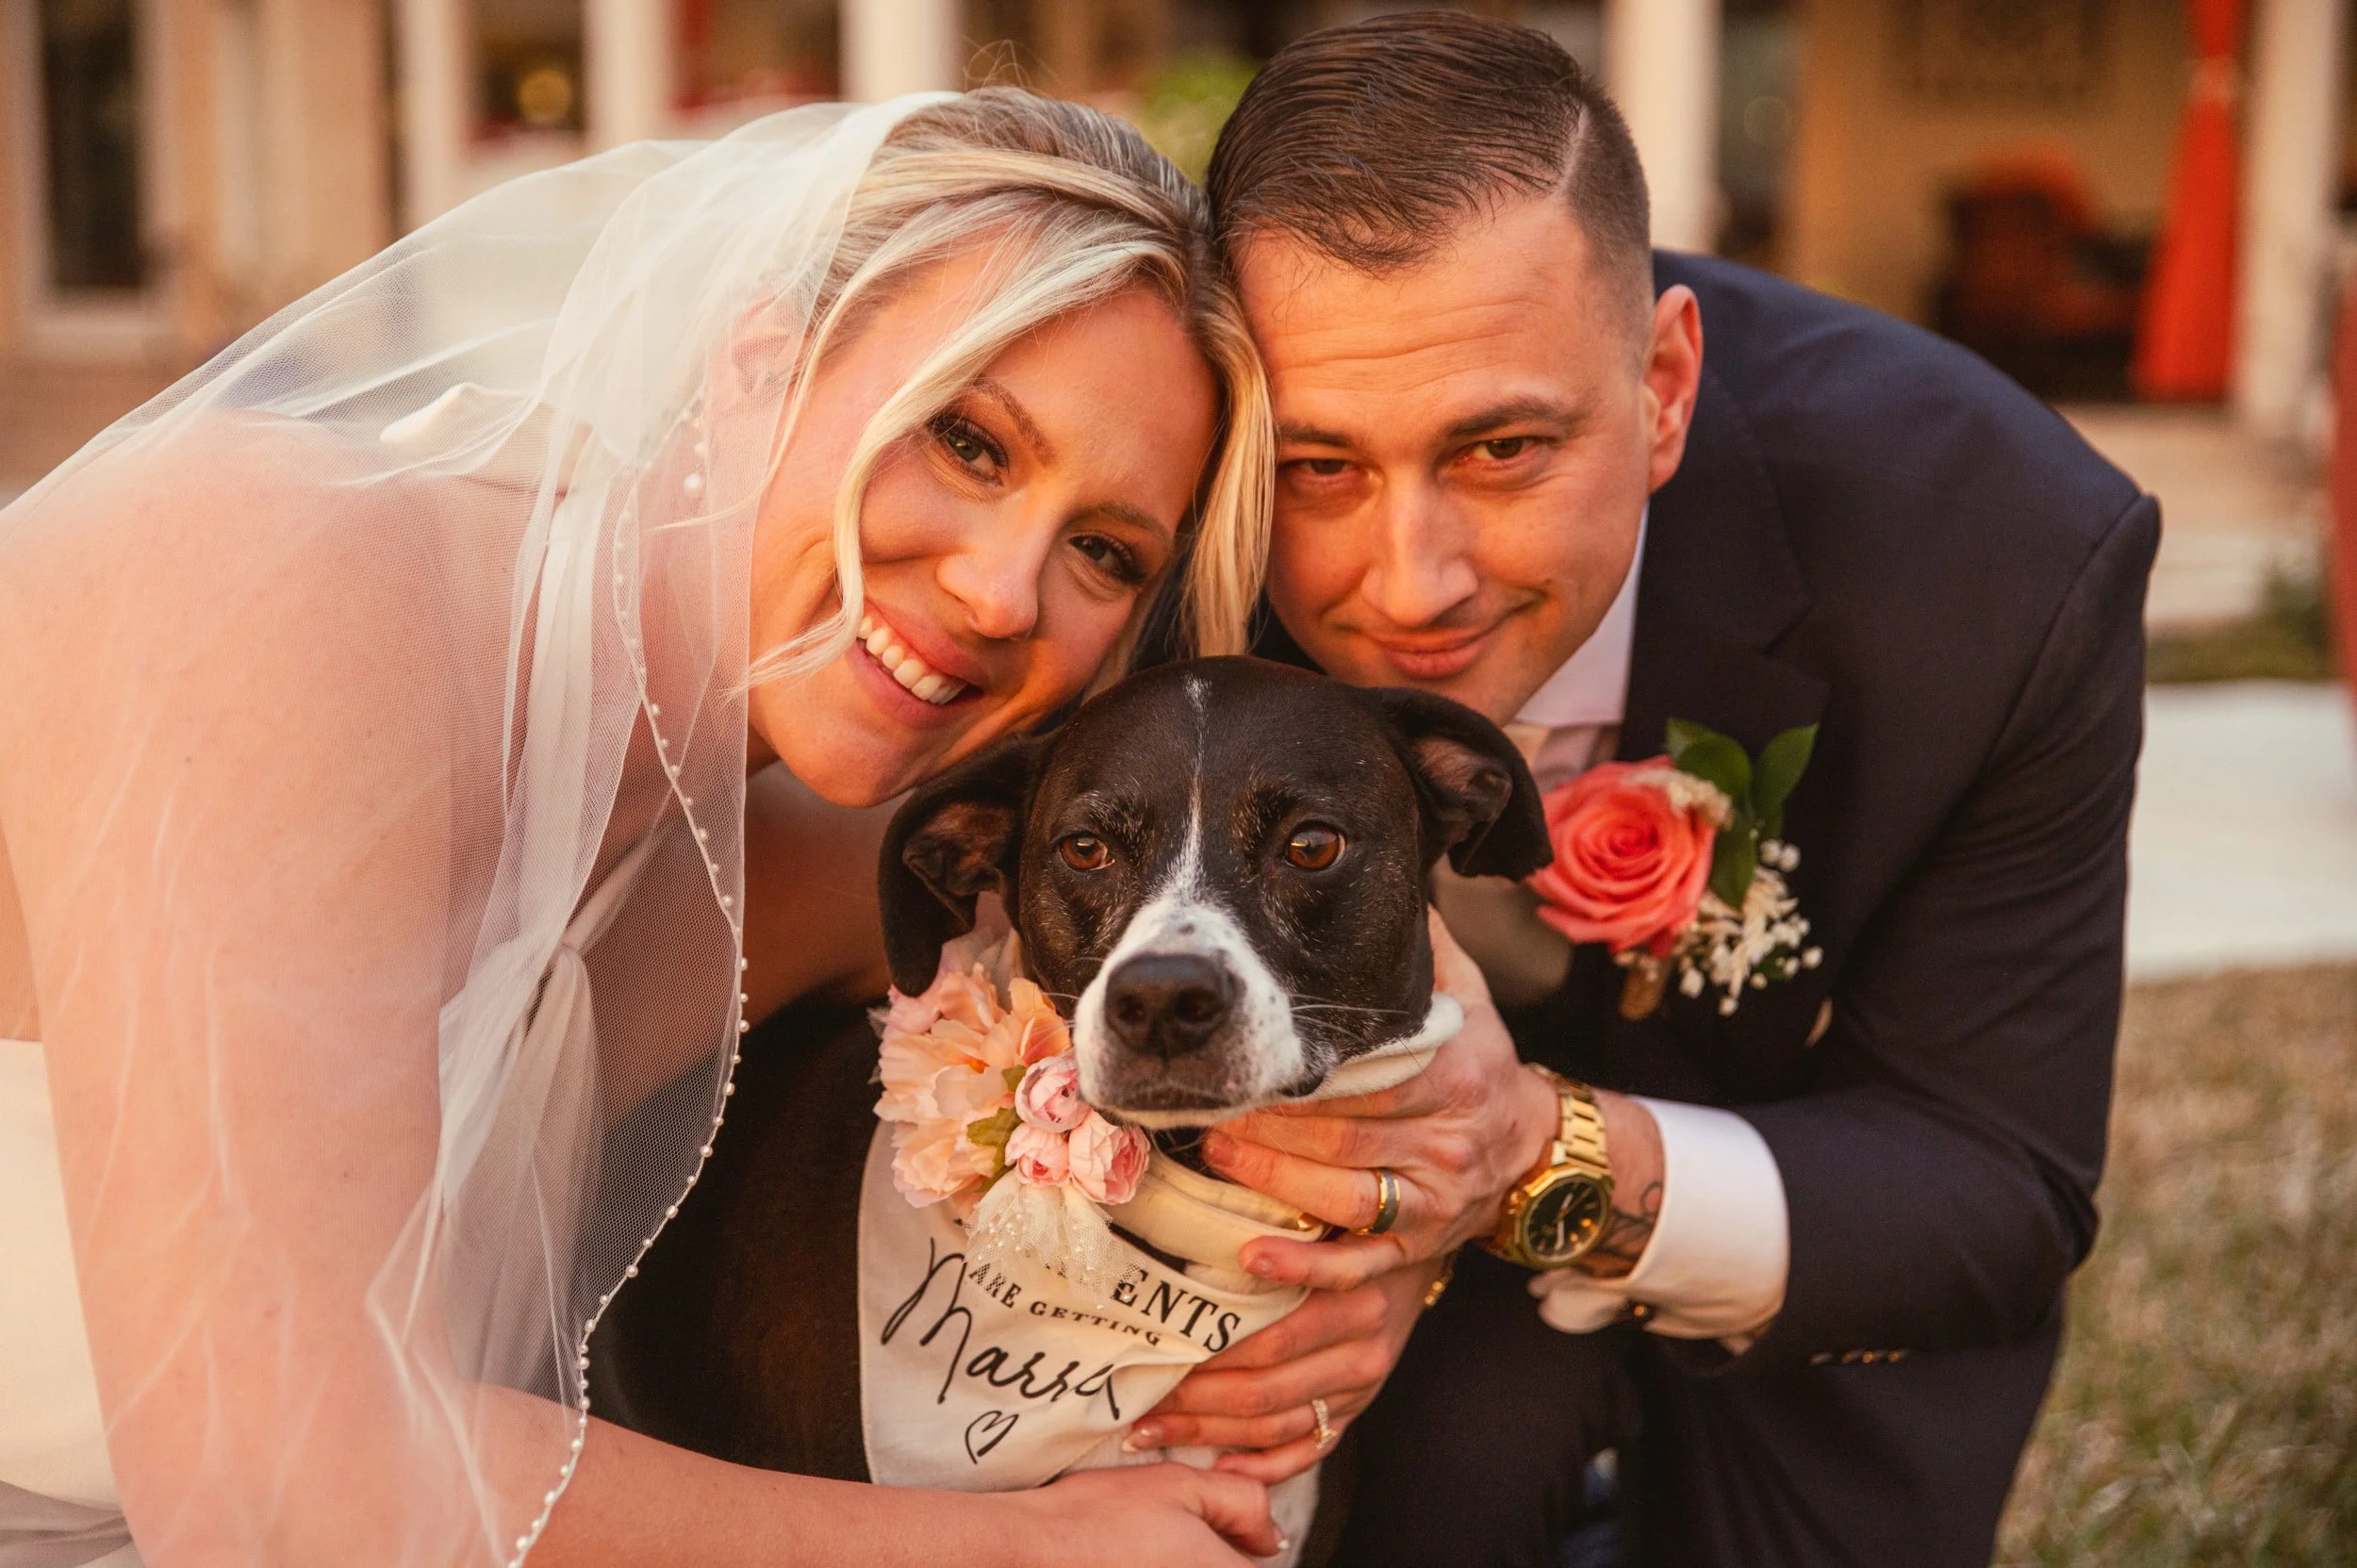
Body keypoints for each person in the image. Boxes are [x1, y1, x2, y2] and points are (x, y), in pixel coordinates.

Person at [0, 90, 1326, 1568]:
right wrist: (1023, 1549)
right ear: (757, 361)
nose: (1005, 591)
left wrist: (1424, 1211)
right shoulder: (275, 576)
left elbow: (1316, 959)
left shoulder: (804, 863)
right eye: (966, 441)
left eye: (1101, 550)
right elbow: (282, 1484)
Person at [1132, 15, 2158, 1567]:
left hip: (1786, 1281)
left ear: (1666, 383)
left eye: (1500, 448)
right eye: (1322, 467)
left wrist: (1532, 1153)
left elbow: (1997, 1183)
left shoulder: (1999, 564)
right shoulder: (1162, 499)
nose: (1411, 582)